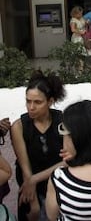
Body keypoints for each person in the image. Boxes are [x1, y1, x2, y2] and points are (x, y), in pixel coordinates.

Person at [11, 71, 66, 221]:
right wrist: (32, 196)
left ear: (50, 102)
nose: (31, 107)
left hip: (58, 183)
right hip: (29, 182)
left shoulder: (62, 122)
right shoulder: (19, 126)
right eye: (28, 101)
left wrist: (34, 179)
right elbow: (25, 167)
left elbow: (68, 161)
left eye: (37, 102)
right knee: (31, 212)